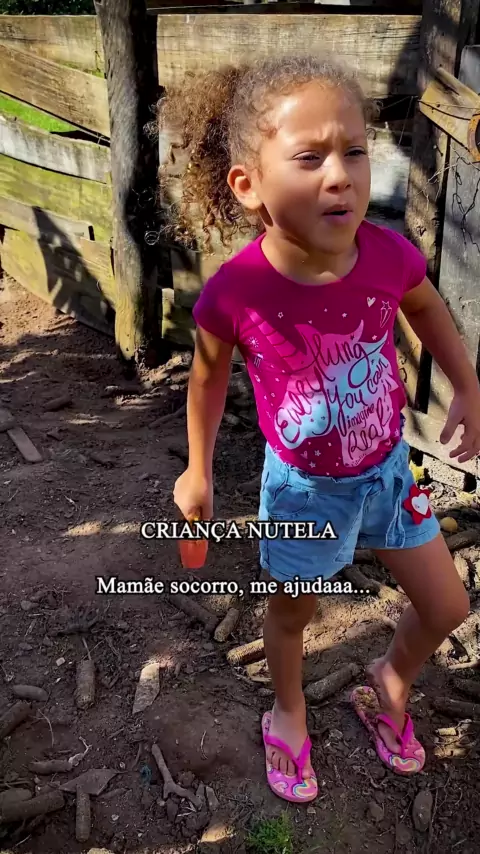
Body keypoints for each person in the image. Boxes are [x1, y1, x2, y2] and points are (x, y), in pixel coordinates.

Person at [162, 56, 480, 804]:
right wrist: (197, 470)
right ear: (249, 184)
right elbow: (206, 378)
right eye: (309, 158)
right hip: (304, 495)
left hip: (389, 476)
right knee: (292, 614)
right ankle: (289, 708)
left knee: (448, 607)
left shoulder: (387, 254)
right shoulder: (237, 291)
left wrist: (466, 383)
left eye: (355, 151)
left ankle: (388, 680)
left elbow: (426, 306)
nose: (340, 176)